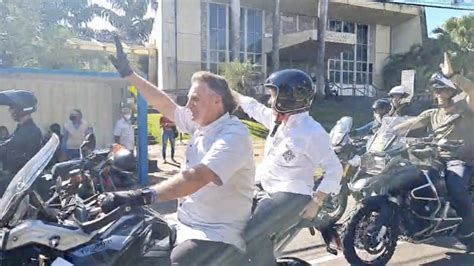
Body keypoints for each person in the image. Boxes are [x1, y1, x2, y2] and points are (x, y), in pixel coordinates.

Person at [99, 35, 255, 265]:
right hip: (184, 221)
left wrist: (142, 195)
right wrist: (129, 74)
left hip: (215, 231)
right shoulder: (202, 122)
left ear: (217, 101)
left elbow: (198, 176)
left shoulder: (233, 135)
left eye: (194, 99)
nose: (188, 105)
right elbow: (164, 105)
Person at [234, 69, 343, 265]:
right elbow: (254, 107)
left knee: (251, 234)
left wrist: (316, 202)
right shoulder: (280, 123)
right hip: (263, 187)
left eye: (274, 96)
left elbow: (335, 169)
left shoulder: (312, 132)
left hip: (291, 195)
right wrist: (227, 91)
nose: (269, 101)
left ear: (287, 98)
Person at [394, 52, 474, 250]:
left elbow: (472, 90)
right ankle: (419, 221)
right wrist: (380, 132)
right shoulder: (432, 114)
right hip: (434, 159)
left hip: (460, 160)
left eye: (443, 90)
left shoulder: (465, 108)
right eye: (437, 90)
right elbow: (406, 124)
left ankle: (469, 229)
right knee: (408, 179)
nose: (439, 94)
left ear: (452, 92)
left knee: (456, 185)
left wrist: (453, 75)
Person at [0, 90, 42, 193]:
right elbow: (8, 144)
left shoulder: (32, 131)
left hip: (21, 183)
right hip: (14, 179)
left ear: (21, 108)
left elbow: (29, 160)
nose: (10, 111)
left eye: (12, 107)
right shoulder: (21, 129)